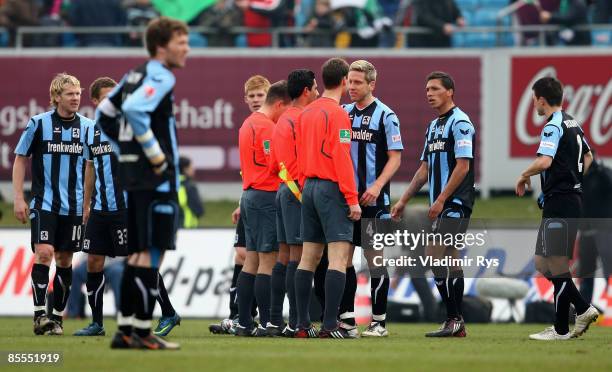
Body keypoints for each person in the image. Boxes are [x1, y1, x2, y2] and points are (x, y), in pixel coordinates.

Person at [96, 16, 190, 350]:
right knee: (151, 254)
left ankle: (127, 330)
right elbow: (134, 110)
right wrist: (154, 155)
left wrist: (126, 153)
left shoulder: (133, 74)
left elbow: (104, 114)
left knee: (137, 254)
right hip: (156, 181)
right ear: (162, 47)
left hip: (133, 180)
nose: (187, 49)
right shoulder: (160, 75)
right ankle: (144, 331)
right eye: (181, 43)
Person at [391, 71, 475, 338]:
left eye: (435, 89)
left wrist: (440, 199)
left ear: (450, 91)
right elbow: (423, 170)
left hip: (456, 202)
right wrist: (403, 200)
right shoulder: (433, 127)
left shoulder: (460, 122)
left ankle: (453, 317)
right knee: (449, 257)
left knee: (434, 251)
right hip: (441, 204)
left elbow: (463, 166)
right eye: (427, 89)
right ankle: (455, 321)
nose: (429, 93)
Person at [515, 76, 599, 341]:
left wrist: (523, 175)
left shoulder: (552, 125)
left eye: (534, 100)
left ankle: (566, 324)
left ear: (541, 99)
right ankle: (578, 312)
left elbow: (544, 161)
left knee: (556, 261)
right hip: (564, 199)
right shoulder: (572, 122)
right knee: (544, 262)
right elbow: (588, 157)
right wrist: (574, 179)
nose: (534, 105)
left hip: (561, 201)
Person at [13, 73, 95, 335]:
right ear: (57, 97)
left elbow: (91, 166)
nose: (75, 98)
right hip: (44, 203)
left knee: (65, 258)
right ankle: (39, 315)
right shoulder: (38, 123)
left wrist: (87, 203)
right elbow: (20, 158)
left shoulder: (88, 127)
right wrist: (18, 197)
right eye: (70, 94)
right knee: (45, 252)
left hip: (73, 206)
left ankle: (56, 318)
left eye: (78, 93)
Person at [294, 57, 361, 339]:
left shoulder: (306, 112)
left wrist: (304, 186)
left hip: (307, 187)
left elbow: (299, 156)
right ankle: (331, 325)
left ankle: (301, 324)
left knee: (308, 258)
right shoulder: (339, 114)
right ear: (345, 81)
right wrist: (352, 197)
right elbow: (342, 157)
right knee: (338, 257)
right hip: (330, 189)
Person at [339, 60, 402, 338]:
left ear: (371, 84)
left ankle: (379, 322)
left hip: (375, 202)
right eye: (349, 82)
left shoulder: (386, 116)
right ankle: (348, 321)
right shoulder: (343, 113)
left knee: (375, 260)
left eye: (357, 82)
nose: (351, 87)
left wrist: (377, 185)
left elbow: (396, 158)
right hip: (346, 201)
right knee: (343, 260)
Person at [208, 75, 270, 335]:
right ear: (245, 99)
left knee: (256, 258)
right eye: (252, 96)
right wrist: (241, 201)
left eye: (260, 95)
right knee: (242, 255)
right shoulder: (249, 126)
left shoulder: (270, 124)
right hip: (251, 198)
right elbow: (250, 171)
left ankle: (257, 316)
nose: (256, 100)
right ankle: (239, 315)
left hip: (268, 199)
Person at [233, 80, 290, 336]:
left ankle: (244, 322)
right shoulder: (267, 127)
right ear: (279, 104)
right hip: (266, 195)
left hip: (249, 195)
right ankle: (268, 322)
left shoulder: (248, 123)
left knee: (252, 262)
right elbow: (274, 165)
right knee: (267, 261)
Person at [72, 77, 127, 337]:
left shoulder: (126, 127)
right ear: (95, 102)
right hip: (99, 209)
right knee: (93, 261)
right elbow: (90, 167)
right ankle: (97, 323)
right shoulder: (91, 132)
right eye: (105, 98)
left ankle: (167, 311)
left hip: (125, 208)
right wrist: (85, 206)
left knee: (140, 263)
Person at [266, 69, 319, 337]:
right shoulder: (301, 119)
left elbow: (276, 163)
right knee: (299, 258)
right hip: (297, 191)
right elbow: (300, 161)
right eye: (315, 87)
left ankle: (278, 319)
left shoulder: (283, 119)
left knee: (285, 257)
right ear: (306, 91)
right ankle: (299, 322)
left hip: (283, 188)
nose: (319, 91)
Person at [178, 156, 204, 228]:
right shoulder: (189, 186)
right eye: (191, 167)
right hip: (188, 227)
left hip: (173, 227)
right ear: (185, 169)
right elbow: (199, 210)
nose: (193, 169)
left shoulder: (172, 184)